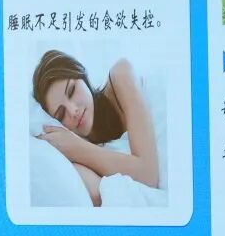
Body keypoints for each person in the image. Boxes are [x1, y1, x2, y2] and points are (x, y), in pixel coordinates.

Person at [32, 50, 160, 206]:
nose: (73, 111)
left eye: (71, 91)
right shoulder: (74, 153)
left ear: (82, 75)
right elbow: (95, 195)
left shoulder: (121, 73)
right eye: (61, 114)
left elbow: (148, 175)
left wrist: (77, 148)